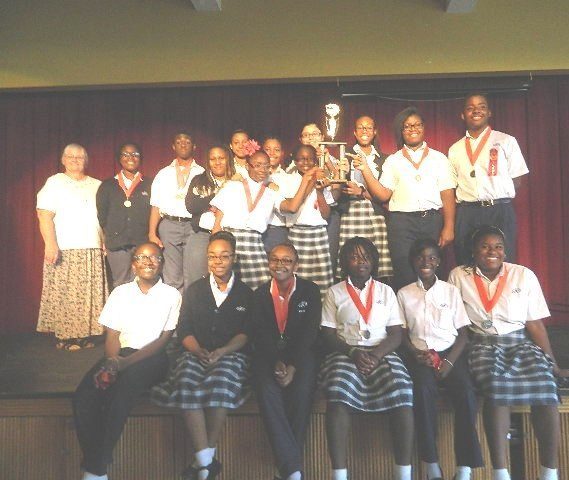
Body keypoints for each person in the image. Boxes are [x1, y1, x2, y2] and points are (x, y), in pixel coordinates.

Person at [448, 225, 568, 480]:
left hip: (519, 343)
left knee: (547, 386)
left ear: (505, 251)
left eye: (498, 247)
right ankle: (501, 473)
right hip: (480, 344)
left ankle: (550, 472)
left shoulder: (523, 275)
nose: (492, 251)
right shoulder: (459, 275)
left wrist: (553, 363)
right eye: (485, 246)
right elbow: (453, 321)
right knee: (496, 387)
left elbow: (534, 324)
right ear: (473, 250)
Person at [73, 242, 181, 480]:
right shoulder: (120, 293)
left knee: (121, 393)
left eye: (155, 257)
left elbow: (162, 341)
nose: (148, 262)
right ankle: (97, 462)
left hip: (151, 358)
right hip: (117, 354)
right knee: (83, 396)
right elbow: (112, 335)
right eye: (142, 258)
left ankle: (95, 471)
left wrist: (123, 365)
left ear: (162, 263)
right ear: (133, 265)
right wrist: (112, 361)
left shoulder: (172, 295)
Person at [151, 232, 253, 480]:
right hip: (195, 351)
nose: (218, 261)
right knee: (186, 383)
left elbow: (246, 333)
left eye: (224, 256)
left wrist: (223, 351)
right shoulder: (195, 290)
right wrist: (196, 350)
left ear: (234, 258)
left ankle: (202, 464)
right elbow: (184, 328)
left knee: (220, 384)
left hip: (230, 354)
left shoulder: (246, 293)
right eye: (212, 256)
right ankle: (207, 463)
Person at [320, 237, 414, 480]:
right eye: (354, 257)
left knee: (404, 393)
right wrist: (353, 352)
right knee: (338, 394)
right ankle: (339, 475)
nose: (360, 262)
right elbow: (328, 334)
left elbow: (396, 334)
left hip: (381, 351)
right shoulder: (334, 292)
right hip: (346, 351)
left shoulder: (386, 291)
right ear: (344, 262)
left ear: (373, 261)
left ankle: (403, 474)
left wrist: (375, 355)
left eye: (366, 257)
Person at [398, 238, 483, 480]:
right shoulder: (404, 294)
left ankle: (464, 467)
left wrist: (449, 363)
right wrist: (415, 354)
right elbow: (402, 334)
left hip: (450, 354)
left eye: (432, 257)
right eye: (421, 257)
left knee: (467, 393)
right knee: (422, 392)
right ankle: (431, 464)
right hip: (420, 356)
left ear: (438, 262)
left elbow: (464, 335)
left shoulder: (451, 291)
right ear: (413, 261)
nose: (426, 262)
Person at [355, 107, 456, 291]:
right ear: (401, 131)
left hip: (432, 220)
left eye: (417, 124)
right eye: (407, 126)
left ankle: (433, 315)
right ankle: (405, 317)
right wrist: (366, 171)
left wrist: (449, 227)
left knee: (432, 271)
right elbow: (383, 195)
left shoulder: (439, 158)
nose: (412, 129)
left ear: (424, 128)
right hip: (401, 224)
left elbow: (447, 193)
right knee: (404, 272)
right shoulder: (393, 161)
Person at [249, 243, 321, 480]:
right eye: (275, 260)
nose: (280, 265)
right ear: (269, 263)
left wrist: (292, 366)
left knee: (302, 390)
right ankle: (292, 469)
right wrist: (275, 363)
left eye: (286, 260)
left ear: (296, 265)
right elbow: (259, 334)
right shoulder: (259, 294)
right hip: (269, 356)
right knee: (266, 390)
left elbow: (310, 333)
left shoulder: (310, 290)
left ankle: (289, 469)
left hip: (300, 355)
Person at [36, 143, 108, 351]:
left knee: (88, 294)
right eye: (71, 156)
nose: (75, 160)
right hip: (65, 247)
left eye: (80, 157)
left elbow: (102, 218)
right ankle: (66, 337)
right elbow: (44, 215)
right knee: (67, 293)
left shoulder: (97, 185)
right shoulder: (55, 182)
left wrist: (103, 241)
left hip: (91, 247)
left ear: (86, 160)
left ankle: (85, 335)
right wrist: (50, 244)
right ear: (63, 160)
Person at [210, 149, 315, 290]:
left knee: (258, 291)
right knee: (227, 289)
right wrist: (213, 254)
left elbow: (292, 207)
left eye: (266, 166)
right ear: (248, 166)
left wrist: (306, 181)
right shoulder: (232, 186)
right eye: (258, 165)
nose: (263, 170)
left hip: (254, 246)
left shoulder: (271, 192)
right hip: (230, 244)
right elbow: (217, 225)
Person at [448, 93, 528, 265]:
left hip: (499, 210)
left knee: (503, 260)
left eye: (482, 106)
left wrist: (494, 194)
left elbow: (517, 180)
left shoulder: (506, 141)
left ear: (489, 112)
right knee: (466, 261)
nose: (476, 111)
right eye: (470, 108)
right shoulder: (455, 149)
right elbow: (453, 186)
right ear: (462, 115)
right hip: (468, 212)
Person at [148, 133, 206, 292]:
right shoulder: (163, 173)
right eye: (179, 142)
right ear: (173, 146)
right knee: (172, 275)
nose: (183, 144)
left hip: (194, 226)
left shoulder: (203, 173)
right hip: (169, 225)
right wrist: (152, 234)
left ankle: (190, 313)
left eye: (187, 141)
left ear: (194, 146)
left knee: (194, 272)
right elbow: (156, 206)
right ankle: (175, 314)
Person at [337, 115, 392, 281]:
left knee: (375, 260)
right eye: (360, 127)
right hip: (350, 214)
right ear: (354, 132)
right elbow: (339, 189)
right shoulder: (343, 157)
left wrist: (361, 192)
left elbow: (383, 196)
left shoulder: (385, 160)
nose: (364, 131)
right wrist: (342, 172)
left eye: (368, 127)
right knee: (351, 257)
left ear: (375, 132)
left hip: (375, 213)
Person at [96, 143, 151, 288]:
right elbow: (102, 216)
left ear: (141, 158)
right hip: (117, 244)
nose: (131, 158)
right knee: (121, 284)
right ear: (119, 159)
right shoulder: (107, 185)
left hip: (142, 243)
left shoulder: (150, 184)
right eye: (125, 154)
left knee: (142, 283)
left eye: (135, 154)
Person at [285, 144, 336, 298]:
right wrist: (308, 182)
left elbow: (326, 214)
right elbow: (292, 206)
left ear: (315, 161)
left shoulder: (322, 178)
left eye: (309, 159)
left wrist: (320, 191)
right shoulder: (289, 179)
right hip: (297, 233)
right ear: (294, 160)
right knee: (298, 279)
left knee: (321, 282)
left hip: (318, 233)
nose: (305, 162)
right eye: (301, 159)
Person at [290, 122, 342, 271]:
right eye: (306, 135)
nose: (310, 138)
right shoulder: (294, 165)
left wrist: (327, 163)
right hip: (301, 218)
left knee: (325, 261)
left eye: (314, 134)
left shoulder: (334, 160)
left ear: (322, 137)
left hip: (327, 215)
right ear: (301, 139)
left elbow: (337, 190)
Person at [185, 144, 235, 260]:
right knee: (195, 275)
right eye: (213, 159)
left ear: (228, 159)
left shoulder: (237, 180)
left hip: (229, 235)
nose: (217, 162)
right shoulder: (199, 180)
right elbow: (191, 206)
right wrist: (216, 197)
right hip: (201, 234)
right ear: (208, 162)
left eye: (221, 158)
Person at [262, 136, 291, 252]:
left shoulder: (288, 177)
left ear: (282, 153)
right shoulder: (254, 175)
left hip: (277, 229)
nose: (272, 153)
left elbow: (290, 203)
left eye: (277, 150)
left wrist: (277, 189)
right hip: (256, 229)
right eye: (267, 149)